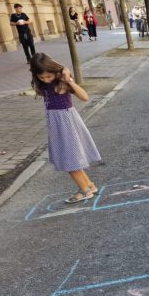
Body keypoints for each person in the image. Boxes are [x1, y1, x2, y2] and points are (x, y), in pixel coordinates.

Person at [29, 53, 100, 204]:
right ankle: (89, 185)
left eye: (48, 76)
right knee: (70, 157)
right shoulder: (42, 83)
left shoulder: (62, 81)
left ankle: (85, 191)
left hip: (66, 121)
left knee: (68, 159)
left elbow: (85, 97)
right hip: (56, 123)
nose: (46, 80)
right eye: (42, 77)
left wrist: (69, 80)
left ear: (54, 72)